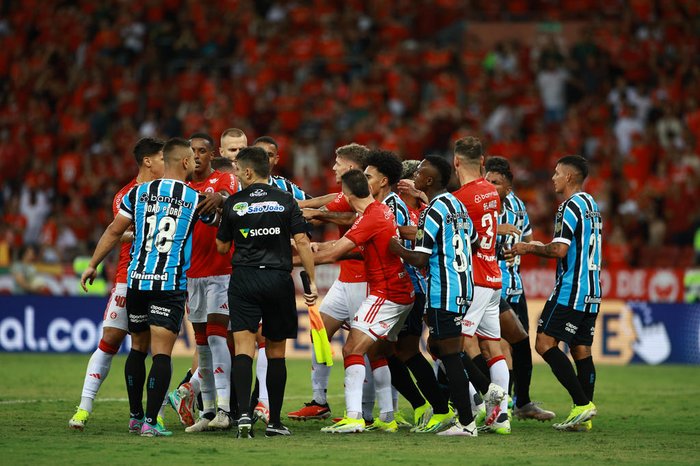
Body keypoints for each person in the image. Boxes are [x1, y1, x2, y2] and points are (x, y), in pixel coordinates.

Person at [81, 137, 203, 437]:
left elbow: (114, 231)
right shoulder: (194, 197)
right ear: (185, 162)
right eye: (192, 158)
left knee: (137, 348)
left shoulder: (136, 193)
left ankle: (135, 417)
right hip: (168, 283)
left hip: (135, 281)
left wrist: (93, 264)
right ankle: (151, 421)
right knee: (161, 354)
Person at [215, 146, 318, 438]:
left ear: (248, 171)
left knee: (244, 348)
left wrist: (242, 236)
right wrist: (310, 280)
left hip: (244, 279)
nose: (235, 174)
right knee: (275, 351)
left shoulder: (234, 203)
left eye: (237, 170)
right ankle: (274, 423)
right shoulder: (286, 200)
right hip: (277, 279)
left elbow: (222, 247)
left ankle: (243, 417)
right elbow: (302, 242)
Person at [307, 169, 414, 434]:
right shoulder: (378, 210)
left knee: (352, 349)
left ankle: (354, 417)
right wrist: (322, 246)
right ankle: (387, 417)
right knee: (378, 353)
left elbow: (333, 256)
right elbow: (349, 246)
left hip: (387, 293)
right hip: (401, 290)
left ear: (347, 194)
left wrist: (292, 259)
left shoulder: (370, 217)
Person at [69, 137, 164, 431]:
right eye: (162, 158)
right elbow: (117, 232)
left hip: (161, 278)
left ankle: (155, 413)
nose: (166, 162)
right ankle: (84, 407)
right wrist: (94, 264)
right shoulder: (126, 194)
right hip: (128, 276)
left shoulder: (170, 191)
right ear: (148, 161)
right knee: (110, 338)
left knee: (159, 347)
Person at [506, 154, 601, 432]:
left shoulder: (569, 206)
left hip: (572, 289)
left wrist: (529, 247)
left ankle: (582, 404)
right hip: (592, 289)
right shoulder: (592, 204)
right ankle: (583, 417)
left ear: (569, 176)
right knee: (581, 350)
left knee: (544, 344)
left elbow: (559, 250)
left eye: (557, 173)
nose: (553, 178)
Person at [363, 149, 452, 432]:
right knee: (392, 350)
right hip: (407, 286)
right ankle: (429, 406)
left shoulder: (393, 205)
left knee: (401, 351)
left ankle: (439, 407)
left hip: (406, 285)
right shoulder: (391, 204)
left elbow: (411, 235)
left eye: (369, 176)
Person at [389, 156, 478, 437]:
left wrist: (396, 247)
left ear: (428, 180)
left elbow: (419, 258)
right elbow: (474, 241)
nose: (415, 175)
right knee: (440, 346)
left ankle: (467, 422)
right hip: (464, 287)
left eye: (419, 172)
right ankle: (485, 394)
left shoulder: (433, 210)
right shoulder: (457, 205)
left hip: (444, 290)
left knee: (450, 355)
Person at [287, 143, 370, 421]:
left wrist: (313, 214)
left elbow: (338, 213)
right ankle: (319, 401)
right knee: (319, 332)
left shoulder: (368, 197)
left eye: (338, 163)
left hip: (365, 281)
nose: (333, 167)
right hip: (345, 279)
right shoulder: (346, 194)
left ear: (351, 167)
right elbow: (327, 200)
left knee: (364, 347)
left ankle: (369, 411)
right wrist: (296, 205)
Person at [170, 133, 240, 433]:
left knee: (216, 337)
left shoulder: (224, 179)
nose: (197, 156)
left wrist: (220, 199)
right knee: (201, 343)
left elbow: (230, 199)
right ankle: (208, 411)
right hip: (192, 274)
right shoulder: (181, 187)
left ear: (212, 155)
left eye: (202, 151)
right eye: (192, 151)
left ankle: (225, 409)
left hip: (222, 271)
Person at [484, 156, 555, 422]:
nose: (490, 186)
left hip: (514, 286)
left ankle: (522, 403)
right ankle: (499, 406)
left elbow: (527, 239)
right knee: (501, 348)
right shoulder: (479, 205)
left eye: (496, 182)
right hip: (491, 286)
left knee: (523, 346)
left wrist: (523, 250)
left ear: (508, 187)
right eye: (487, 181)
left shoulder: (517, 206)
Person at [452, 136, 509, 434]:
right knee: (491, 346)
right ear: (483, 162)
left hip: (473, 280)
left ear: (456, 162)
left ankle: (484, 404)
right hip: (494, 277)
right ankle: (502, 418)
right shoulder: (491, 191)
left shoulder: (460, 198)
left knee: (454, 344)